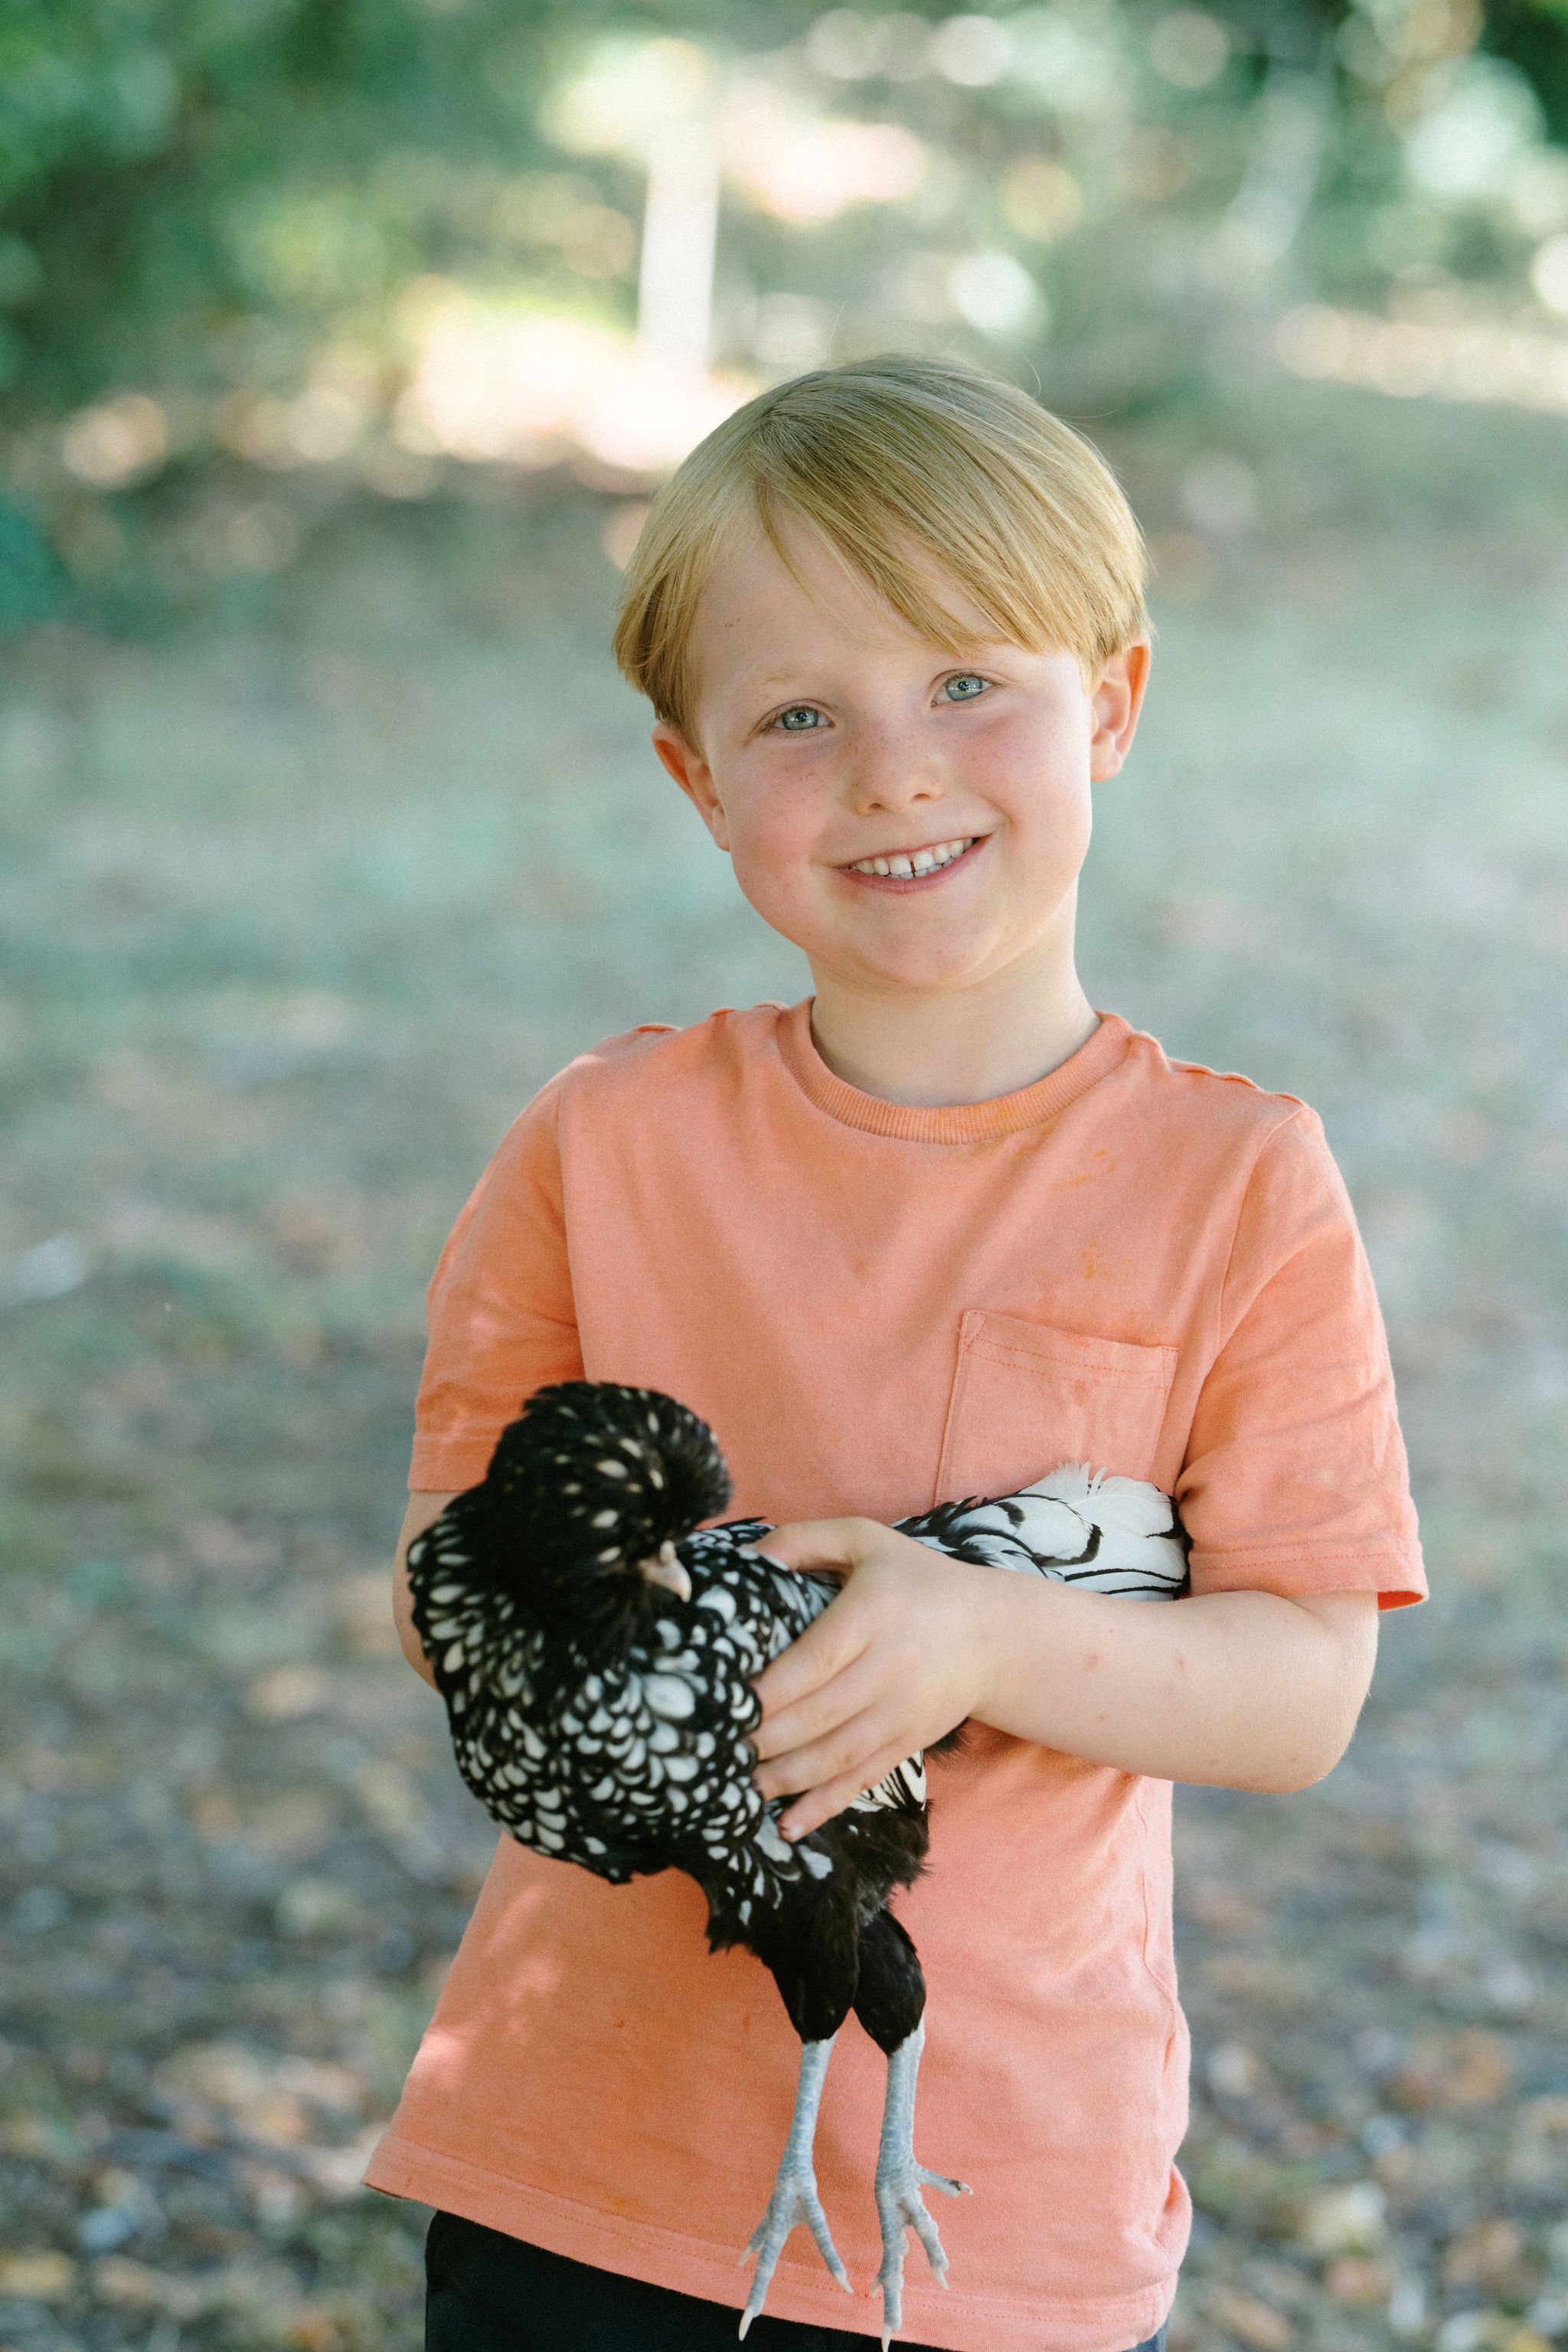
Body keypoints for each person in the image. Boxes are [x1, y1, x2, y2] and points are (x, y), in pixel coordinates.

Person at [365, 355, 1424, 2352]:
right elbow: (441, 1588)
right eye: (797, 716)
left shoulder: (1240, 1185)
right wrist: (651, 1624)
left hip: (994, 2221)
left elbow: (1301, 1689)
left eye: (965, 684)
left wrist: (978, 1638)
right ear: (694, 780)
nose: (892, 769)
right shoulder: (600, 1146)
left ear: (1110, 703)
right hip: (576, 2168)